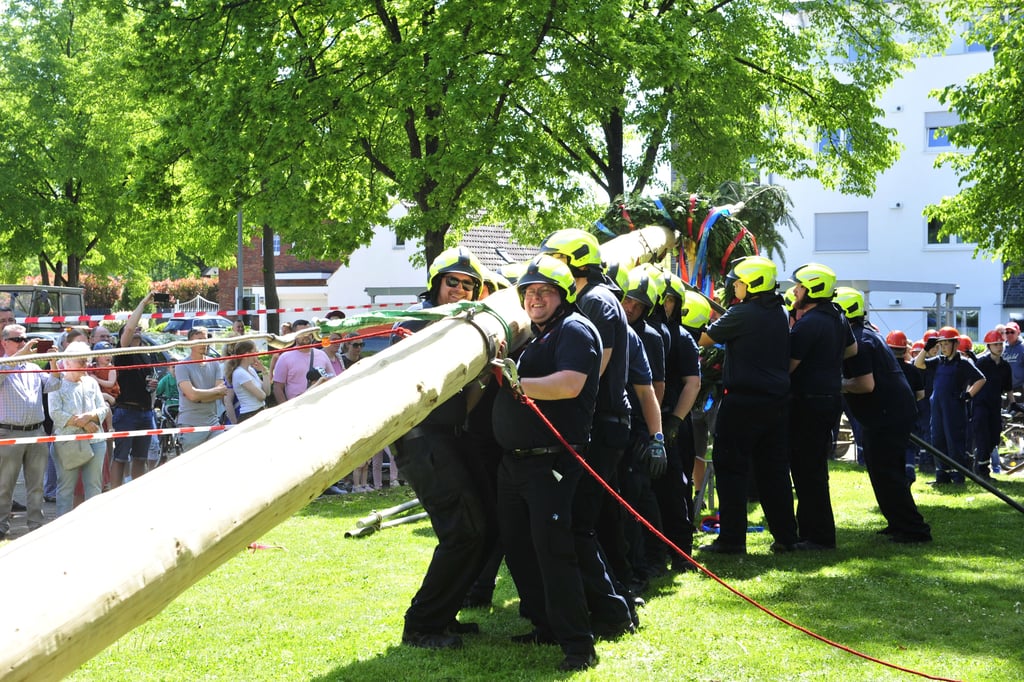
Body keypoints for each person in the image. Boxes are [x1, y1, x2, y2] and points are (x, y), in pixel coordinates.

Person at [493, 255, 601, 672]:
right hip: (515, 465)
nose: (535, 298)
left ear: (563, 295)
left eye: (544, 291)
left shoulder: (574, 329)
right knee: (520, 549)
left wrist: (516, 382)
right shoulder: (537, 334)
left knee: (554, 552)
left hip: (551, 464)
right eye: (529, 292)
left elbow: (569, 385)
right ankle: (545, 624)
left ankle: (578, 645)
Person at [392, 246, 491, 650]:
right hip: (421, 441)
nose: (460, 290)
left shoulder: (461, 323)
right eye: (453, 282)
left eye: (468, 285)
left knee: (479, 528)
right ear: (436, 283)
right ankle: (422, 625)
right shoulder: (413, 323)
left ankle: (442, 615)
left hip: (449, 438)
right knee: (463, 532)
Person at [538, 229, 635, 637]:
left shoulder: (594, 301)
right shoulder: (598, 298)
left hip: (602, 423)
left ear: (572, 260)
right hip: (605, 423)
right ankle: (614, 603)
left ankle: (613, 613)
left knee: (577, 523)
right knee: (590, 521)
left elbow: (589, 370)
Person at [697, 256, 799, 554]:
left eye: (738, 282)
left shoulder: (744, 313)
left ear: (751, 283)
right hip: (776, 404)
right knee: (774, 472)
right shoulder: (779, 311)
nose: (734, 286)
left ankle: (731, 539)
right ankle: (786, 537)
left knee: (731, 469)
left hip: (742, 403)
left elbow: (705, 338)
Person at [836, 288, 932, 543]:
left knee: (887, 473)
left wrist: (838, 384)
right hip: (889, 413)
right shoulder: (866, 334)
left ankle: (914, 530)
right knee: (883, 472)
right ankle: (898, 523)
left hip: (886, 415)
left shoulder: (857, 343)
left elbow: (866, 385)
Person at [787, 263, 857, 550]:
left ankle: (818, 536)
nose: (795, 291)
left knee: (807, 471)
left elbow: (788, 366)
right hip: (829, 398)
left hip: (809, 403)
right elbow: (852, 350)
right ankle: (811, 532)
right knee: (813, 469)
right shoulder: (837, 316)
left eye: (800, 286)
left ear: (812, 288)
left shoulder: (810, 323)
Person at [0, 324, 61, 539]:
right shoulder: (3, 366)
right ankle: (1, 526)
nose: (23, 343)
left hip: (36, 431)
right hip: (9, 433)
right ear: (4, 342)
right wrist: (20, 355)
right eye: (17, 340)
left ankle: (36, 524)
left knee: (36, 484)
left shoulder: (34, 368)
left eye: (24, 339)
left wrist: (53, 360)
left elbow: (53, 385)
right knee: (4, 484)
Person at [914, 325, 985, 485]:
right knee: (937, 440)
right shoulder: (938, 361)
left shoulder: (964, 363)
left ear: (955, 344)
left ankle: (958, 477)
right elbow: (918, 364)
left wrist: (968, 394)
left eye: (946, 344)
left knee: (954, 442)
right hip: (937, 407)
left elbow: (981, 379)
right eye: (941, 344)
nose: (943, 347)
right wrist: (926, 348)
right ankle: (942, 477)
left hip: (954, 408)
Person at [49, 341, 108, 517]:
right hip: (68, 444)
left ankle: (92, 525)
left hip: (96, 441)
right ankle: (61, 529)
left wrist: (89, 417)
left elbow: (103, 408)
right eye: (80, 361)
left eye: (87, 360)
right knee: (66, 489)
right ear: (67, 363)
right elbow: (55, 414)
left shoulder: (91, 382)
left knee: (94, 488)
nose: (85, 364)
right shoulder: (56, 383)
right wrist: (83, 422)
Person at [110, 293, 159, 488]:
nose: (137, 330)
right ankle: (114, 493)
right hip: (126, 411)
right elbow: (130, 327)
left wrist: (152, 386)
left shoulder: (146, 355)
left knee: (141, 457)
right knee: (121, 458)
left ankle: (136, 493)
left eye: (140, 329)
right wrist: (143, 303)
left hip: (145, 412)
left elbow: (148, 380)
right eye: (133, 330)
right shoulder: (123, 353)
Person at [176, 327, 229, 453]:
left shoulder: (215, 363)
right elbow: (192, 395)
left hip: (213, 422)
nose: (204, 343)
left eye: (205, 340)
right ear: (189, 343)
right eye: (199, 340)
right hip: (191, 425)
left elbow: (221, 392)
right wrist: (210, 393)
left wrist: (200, 396)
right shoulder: (181, 366)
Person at [886, 330, 926, 483]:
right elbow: (921, 394)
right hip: (909, 414)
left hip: (889, 415)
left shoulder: (884, 370)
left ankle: (895, 476)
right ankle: (909, 471)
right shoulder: (912, 369)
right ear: (905, 350)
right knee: (909, 445)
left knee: (891, 446)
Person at [971, 330, 1012, 478]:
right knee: (982, 437)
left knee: (994, 437)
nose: (999, 347)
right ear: (989, 346)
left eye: (1001, 344)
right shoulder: (981, 363)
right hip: (980, 405)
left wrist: (1012, 403)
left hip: (995, 406)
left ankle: (980, 463)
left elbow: (1008, 387)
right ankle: (982, 471)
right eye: (996, 344)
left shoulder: (1005, 366)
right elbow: (971, 383)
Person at [272, 320, 333, 405]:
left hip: (320, 404)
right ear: (294, 335)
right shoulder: (285, 358)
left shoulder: (322, 354)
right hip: (295, 407)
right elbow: (277, 387)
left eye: (308, 332)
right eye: (302, 333)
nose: (306, 336)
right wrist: (285, 408)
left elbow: (333, 378)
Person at [223, 339, 271, 422]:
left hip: (260, 411)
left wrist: (264, 371)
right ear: (246, 354)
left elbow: (267, 392)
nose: (257, 354)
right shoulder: (240, 373)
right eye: (255, 351)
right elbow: (261, 396)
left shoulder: (250, 369)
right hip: (250, 415)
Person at [1002, 321, 1024, 403]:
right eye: (1007, 332)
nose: (1009, 334)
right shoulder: (1002, 347)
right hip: (1004, 389)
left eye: (1012, 332)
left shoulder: (1022, 347)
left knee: (1019, 415)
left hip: (1019, 389)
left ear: (1018, 333)